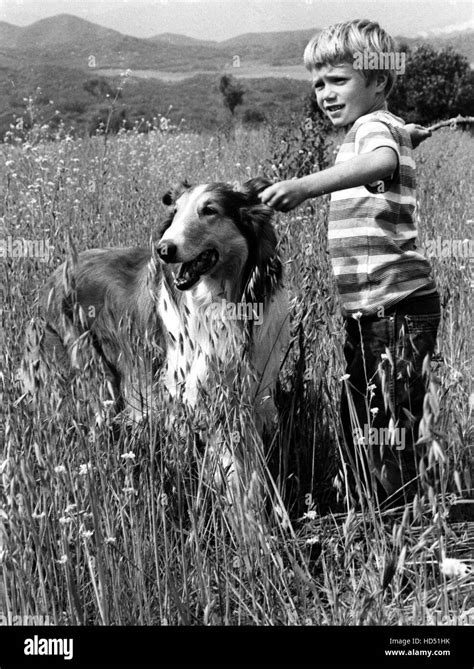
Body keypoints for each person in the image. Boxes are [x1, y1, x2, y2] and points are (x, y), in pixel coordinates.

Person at [259, 19, 440, 505]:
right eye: (318, 83)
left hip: (395, 310)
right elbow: (390, 146)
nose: (325, 93)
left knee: (384, 426)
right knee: (367, 419)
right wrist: (409, 133)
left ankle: (396, 526)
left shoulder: (372, 129)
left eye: (338, 80)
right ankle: (376, 516)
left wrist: (303, 186)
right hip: (373, 314)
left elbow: (381, 162)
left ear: (379, 80)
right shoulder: (383, 126)